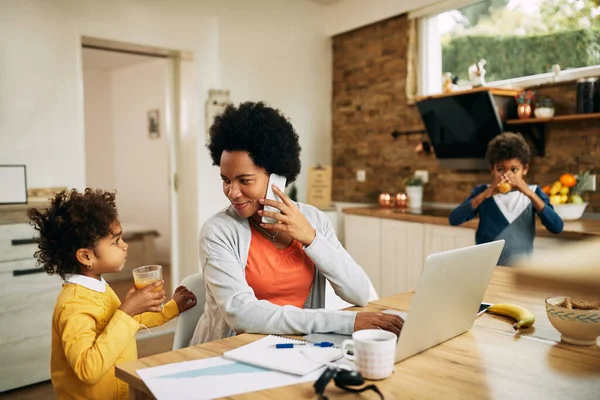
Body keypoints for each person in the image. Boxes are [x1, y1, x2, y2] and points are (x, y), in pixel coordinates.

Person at [190, 101, 403, 345]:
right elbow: (241, 314)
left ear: (277, 177)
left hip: (296, 351)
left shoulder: (313, 220)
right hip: (228, 354)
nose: (232, 192)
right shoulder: (217, 231)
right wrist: (345, 323)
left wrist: (311, 238)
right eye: (226, 180)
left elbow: (359, 293)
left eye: (244, 180)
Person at [28, 189, 197, 400]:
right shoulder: (73, 306)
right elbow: (87, 369)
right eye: (116, 241)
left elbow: (131, 321)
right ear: (86, 256)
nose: (125, 245)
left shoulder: (99, 287)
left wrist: (173, 307)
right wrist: (127, 310)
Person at [448, 132, 563, 265]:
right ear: (492, 169)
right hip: (485, 268)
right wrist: (486, 194)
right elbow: (454, 219)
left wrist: (529, 193)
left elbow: (557, 226)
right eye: (500, 169)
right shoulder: (482, 192)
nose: (507, 176)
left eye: (514, 170)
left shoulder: (534, 192)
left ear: (525, 169)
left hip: (520, 271)